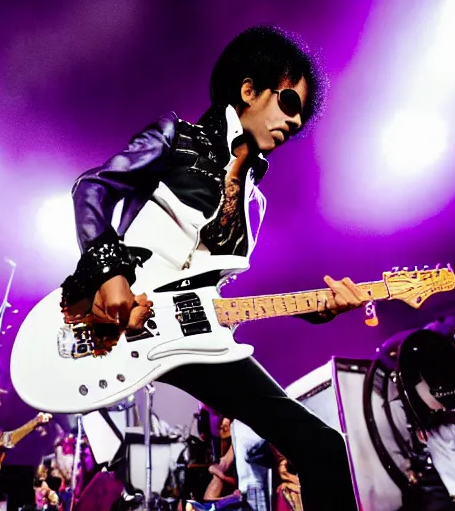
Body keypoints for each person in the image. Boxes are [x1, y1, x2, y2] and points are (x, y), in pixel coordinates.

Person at [60, 25, 367, 510]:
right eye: (289, 102)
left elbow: (211, 294)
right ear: (249, 90)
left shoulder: (256, 203)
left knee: (325, 449)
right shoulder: (175, 138)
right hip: (117, 317)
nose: (293, 122)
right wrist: (109, 274)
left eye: (302, 117)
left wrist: (314, 309)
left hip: (193, 336)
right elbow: (93, 188)